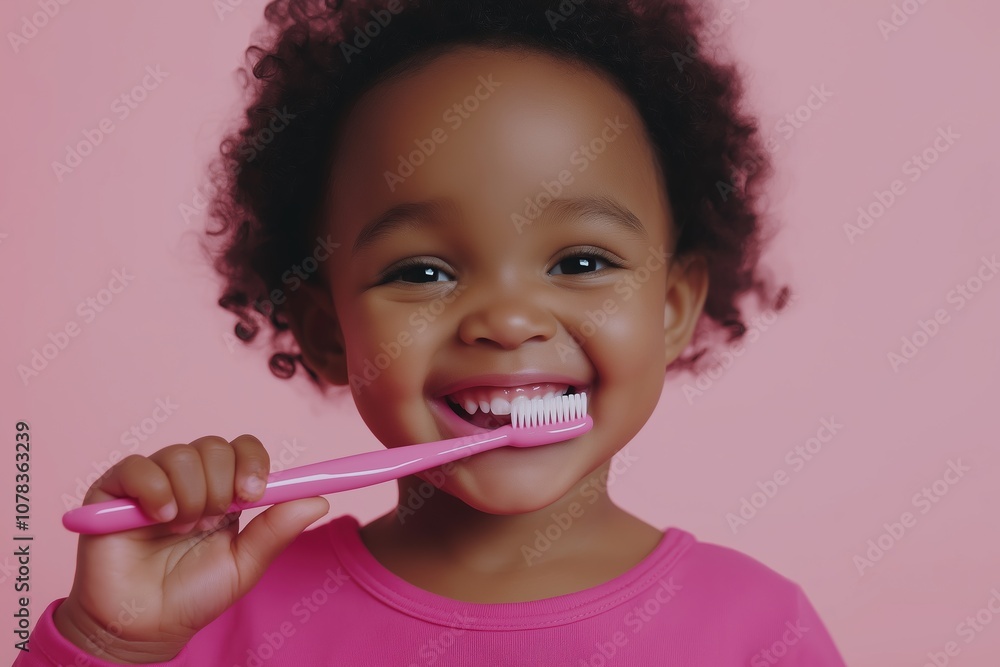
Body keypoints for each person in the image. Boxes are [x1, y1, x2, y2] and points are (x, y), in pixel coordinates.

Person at [16, 0, 847, 663]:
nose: (509, 319)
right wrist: (109, 644)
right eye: (422, 273)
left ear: (672, 307)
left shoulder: (755, 631)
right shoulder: (218, 613)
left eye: (583, 261)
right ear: (327, 329)